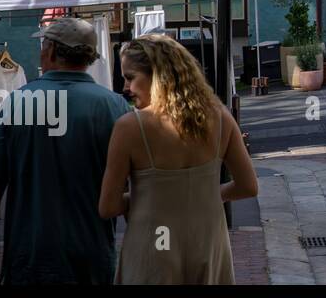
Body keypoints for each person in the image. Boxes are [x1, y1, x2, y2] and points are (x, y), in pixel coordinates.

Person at [0, 18, 130, 285]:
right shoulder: (115, 107)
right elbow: (135, 186)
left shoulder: (20, 103)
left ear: (51, 51)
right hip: (93, 256)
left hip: (31, 257)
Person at [99, 34, 258, 284]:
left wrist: (152, 198)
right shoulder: (220, 117)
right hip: (206, 243)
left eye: (130, 77)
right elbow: (248, 186)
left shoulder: (130, 127)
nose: (125, 88)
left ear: (158, 77)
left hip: (152, 247)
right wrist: (199, 195)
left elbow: (107, 206)